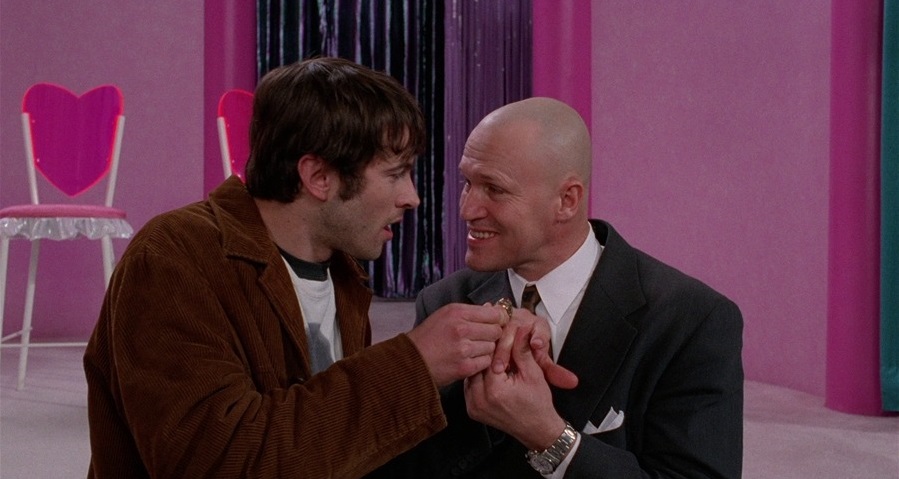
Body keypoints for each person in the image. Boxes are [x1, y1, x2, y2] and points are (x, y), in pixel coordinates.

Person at [83, 57, 529, 478]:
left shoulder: (342, 272)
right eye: (396, 173)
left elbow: (333, 450)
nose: (411, 197)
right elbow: (217, 463)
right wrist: (413, 363)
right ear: (318, 177)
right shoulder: (173, 257)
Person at [372, 97, 744, 478]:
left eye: (494, 189)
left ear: (567, 201)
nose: (467, 209)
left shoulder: (691, 321)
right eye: (468, 183)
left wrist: (550, 437)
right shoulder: (444, 303)